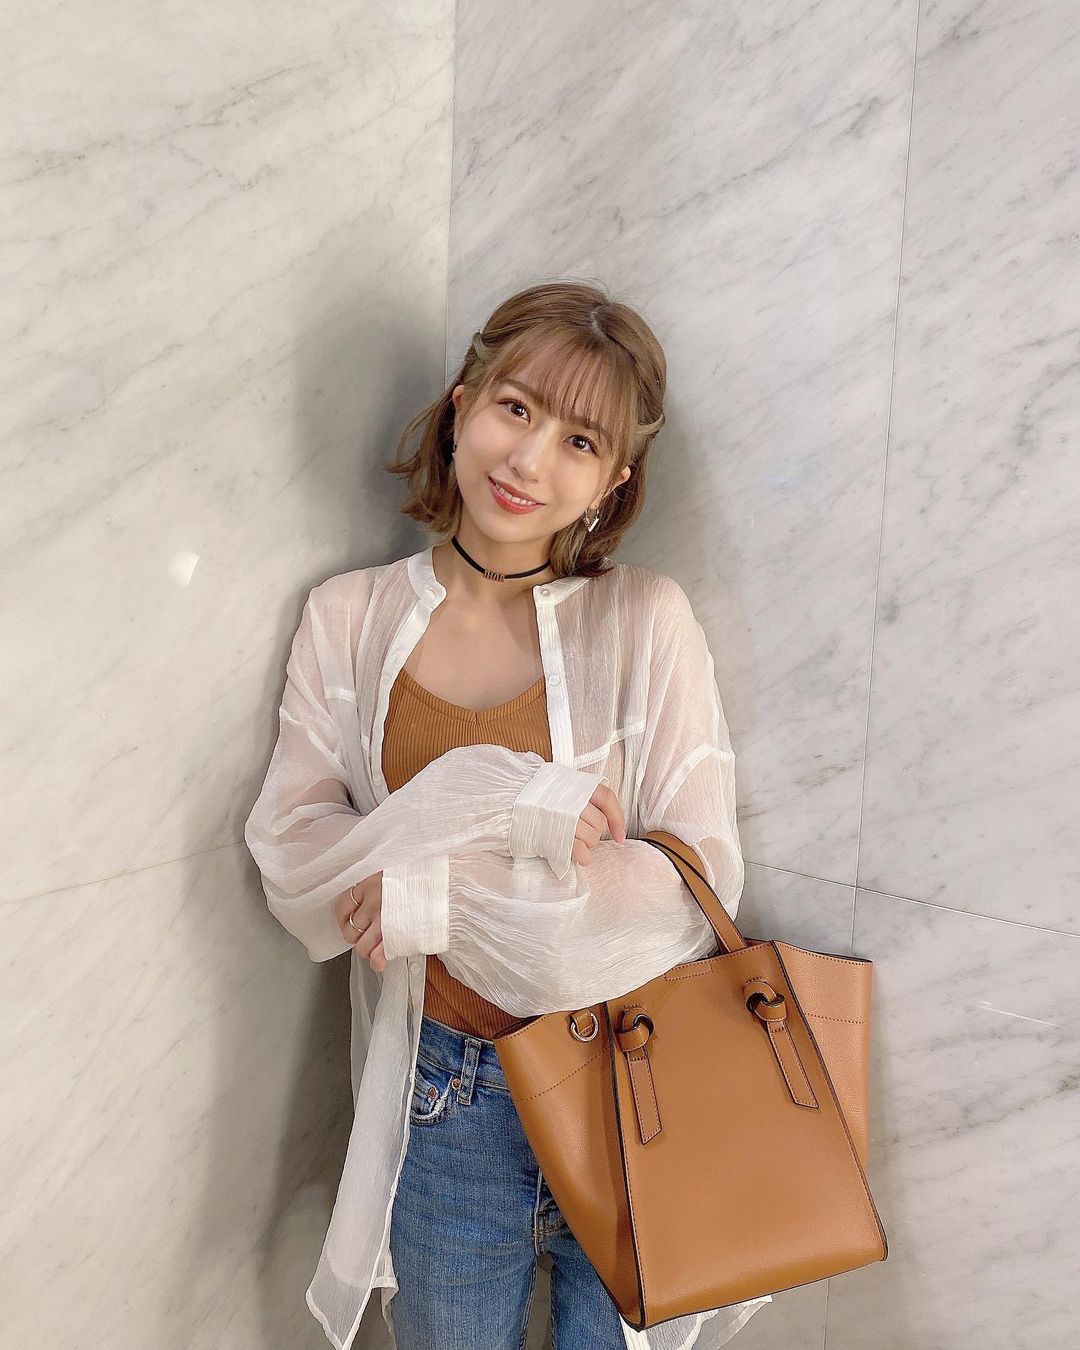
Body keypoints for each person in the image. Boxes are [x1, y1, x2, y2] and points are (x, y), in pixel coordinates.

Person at [244, 281, 772, 1350]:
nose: (528, 460)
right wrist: (507, 814)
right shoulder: (348, 618)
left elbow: (697, 877)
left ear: (613, 481)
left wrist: (442, 894)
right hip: (445, 1101)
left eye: (579, 441)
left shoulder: (645, 618)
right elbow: (296, 856)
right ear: (462, 405)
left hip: (634, 1080)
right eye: (516, 408)